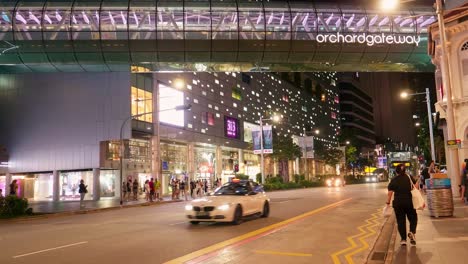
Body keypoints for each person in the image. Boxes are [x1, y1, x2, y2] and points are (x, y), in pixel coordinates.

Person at [386, 164, 419, 246]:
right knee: (413, 218)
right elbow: (416, 187)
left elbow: (390, 193)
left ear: (396, 171)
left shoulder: (394, 180)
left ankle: (403, 239)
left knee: (401, 221)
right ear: (405, 170)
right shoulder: (409, 177)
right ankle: (412, 231)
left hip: (398, 203)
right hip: (409, 202)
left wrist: (388, 203)